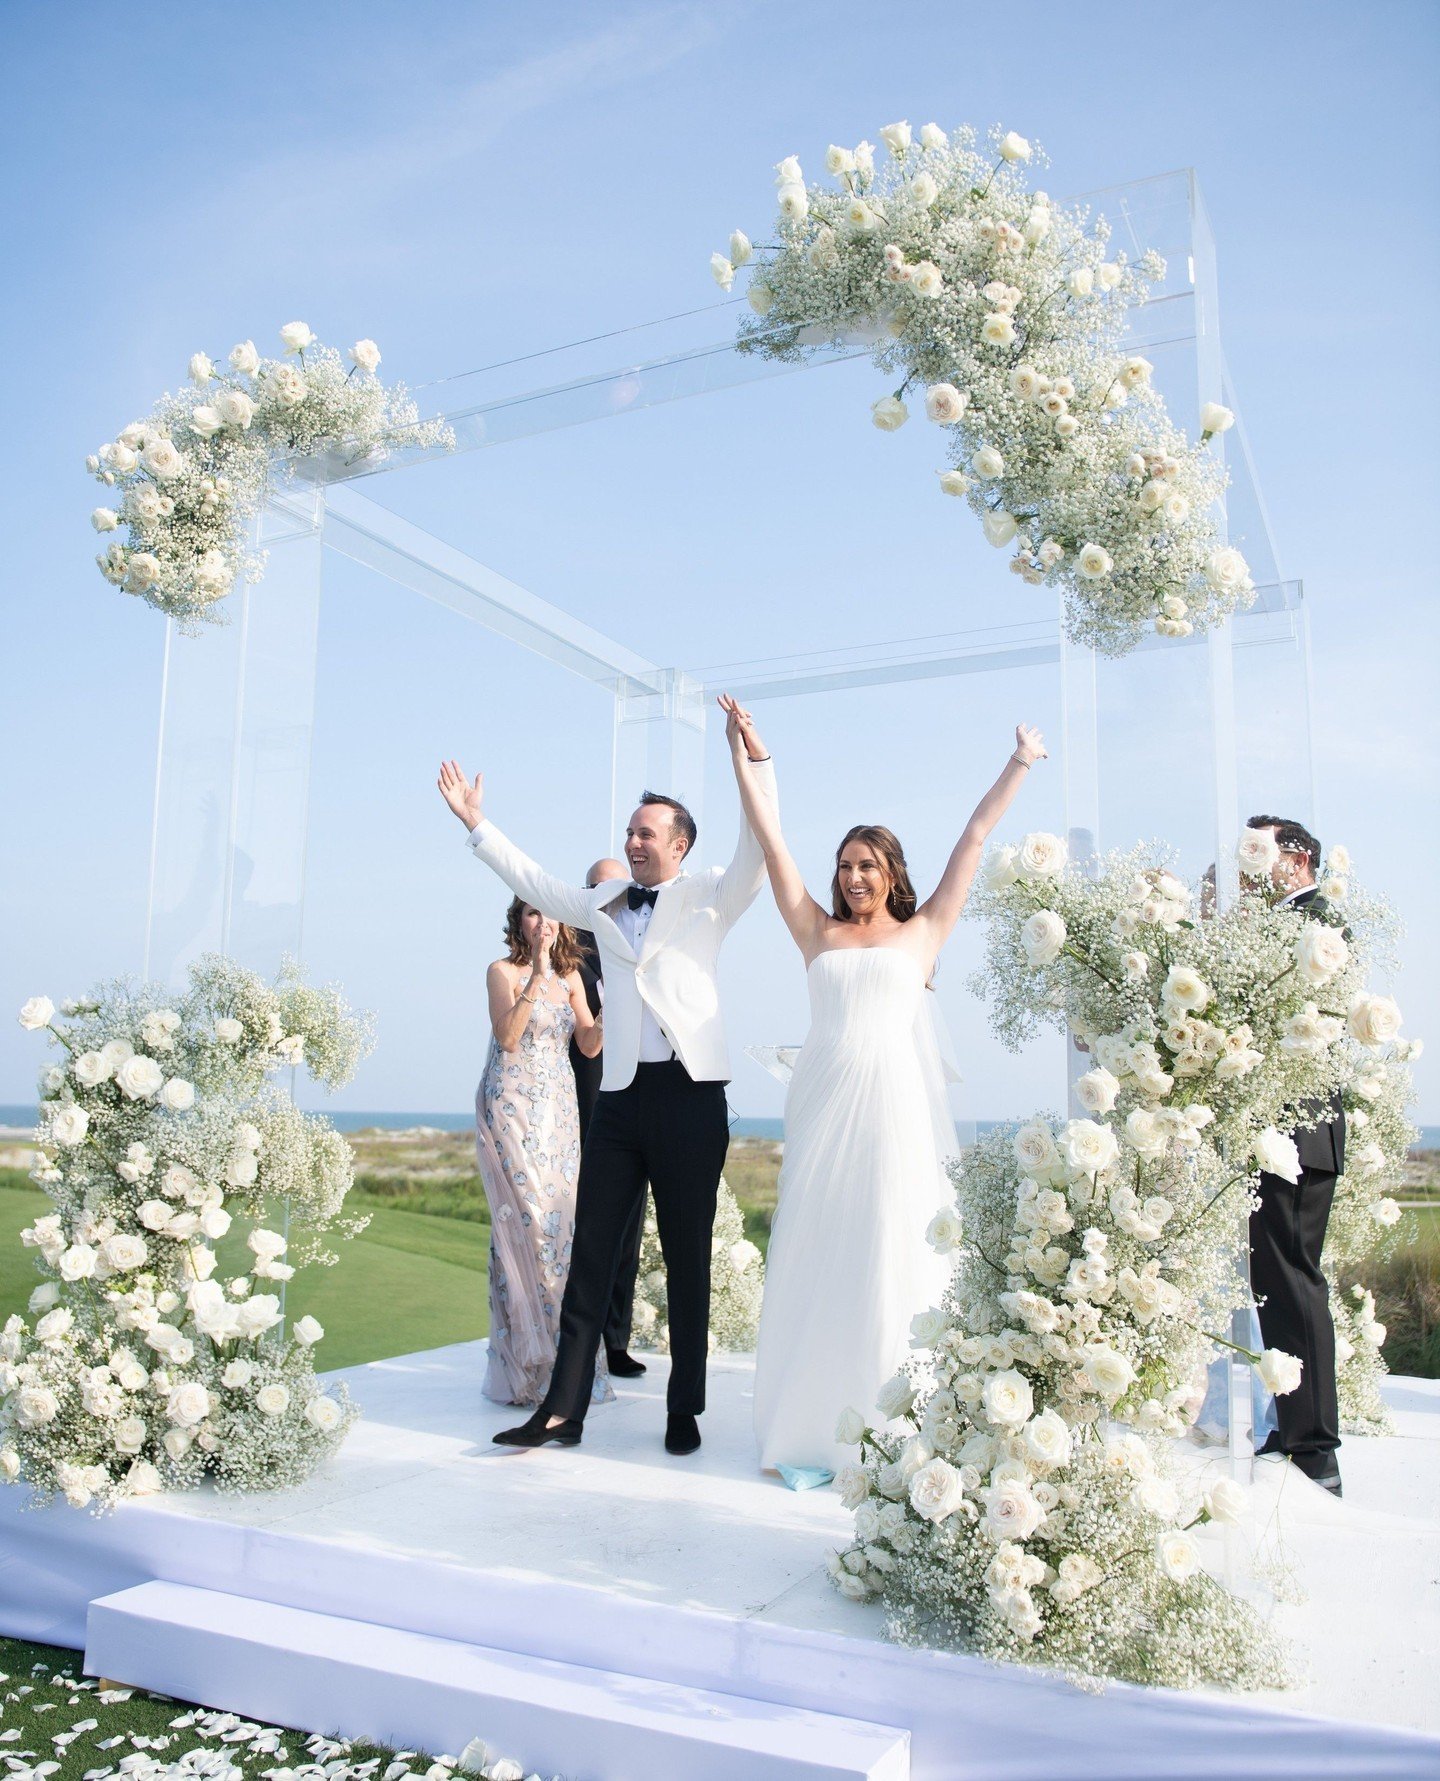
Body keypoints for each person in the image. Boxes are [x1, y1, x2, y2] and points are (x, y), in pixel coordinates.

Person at [720, 695, 1048, 1475]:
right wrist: (748, 756)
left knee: (887, 1251)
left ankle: (894, 1425)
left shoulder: (924, 930)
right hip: (823, 1106)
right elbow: (771, 840)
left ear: (892, 873)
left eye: (867, 863)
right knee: (817, 1252)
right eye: (844, 863)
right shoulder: (815, 929)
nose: (851, 874)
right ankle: (810, 1424)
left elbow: (973, 835)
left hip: (894, 1112)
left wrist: (1019, 763)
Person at [437, 717, 776, 1456]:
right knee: (590, 1251)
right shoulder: (604, 901)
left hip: (691, 1097)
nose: (633, 841)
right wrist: (476, 823)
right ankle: (562, 1411)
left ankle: (683, 1409)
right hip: (620, 1100)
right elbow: (533, 881)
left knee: (689, 1258)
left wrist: (755, 761)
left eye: (647, 833)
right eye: (629, 831)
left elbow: (760, 843)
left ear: (680, 845)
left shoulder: (714, 894)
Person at [1244, 813, 1346, 1496]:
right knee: (1274, 1283)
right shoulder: (1274, 922)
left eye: (1259, 851)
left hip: (1300, 1133)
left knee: (1296, 1279)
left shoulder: (1320, 921)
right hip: (1276, 1133)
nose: (1250, 864)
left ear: (1298, 857)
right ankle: (1291, 1423)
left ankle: (1315, 1447)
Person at [475, 898, 610, 1410]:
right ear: (519, 923)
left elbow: (589, 1045)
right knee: (523, 1222)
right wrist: (535, 975)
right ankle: (521, 1364)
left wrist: (607, 1013)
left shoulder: (573, 978)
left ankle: (564, 1364)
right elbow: (507, 1037)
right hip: (508, 1105)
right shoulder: (501, 972)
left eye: (549, 913)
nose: (542, 922)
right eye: (532, 913)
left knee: (560, 1225)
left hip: (558, 1110)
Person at [571, 856, 649, 1380]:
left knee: (628, 1231)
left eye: (620, 886)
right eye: (602, 887)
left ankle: (615, 1342)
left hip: (637, 1104)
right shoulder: (569, 960)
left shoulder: (646, 947)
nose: (613, 894)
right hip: (576, 1106)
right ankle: (574, 1344)